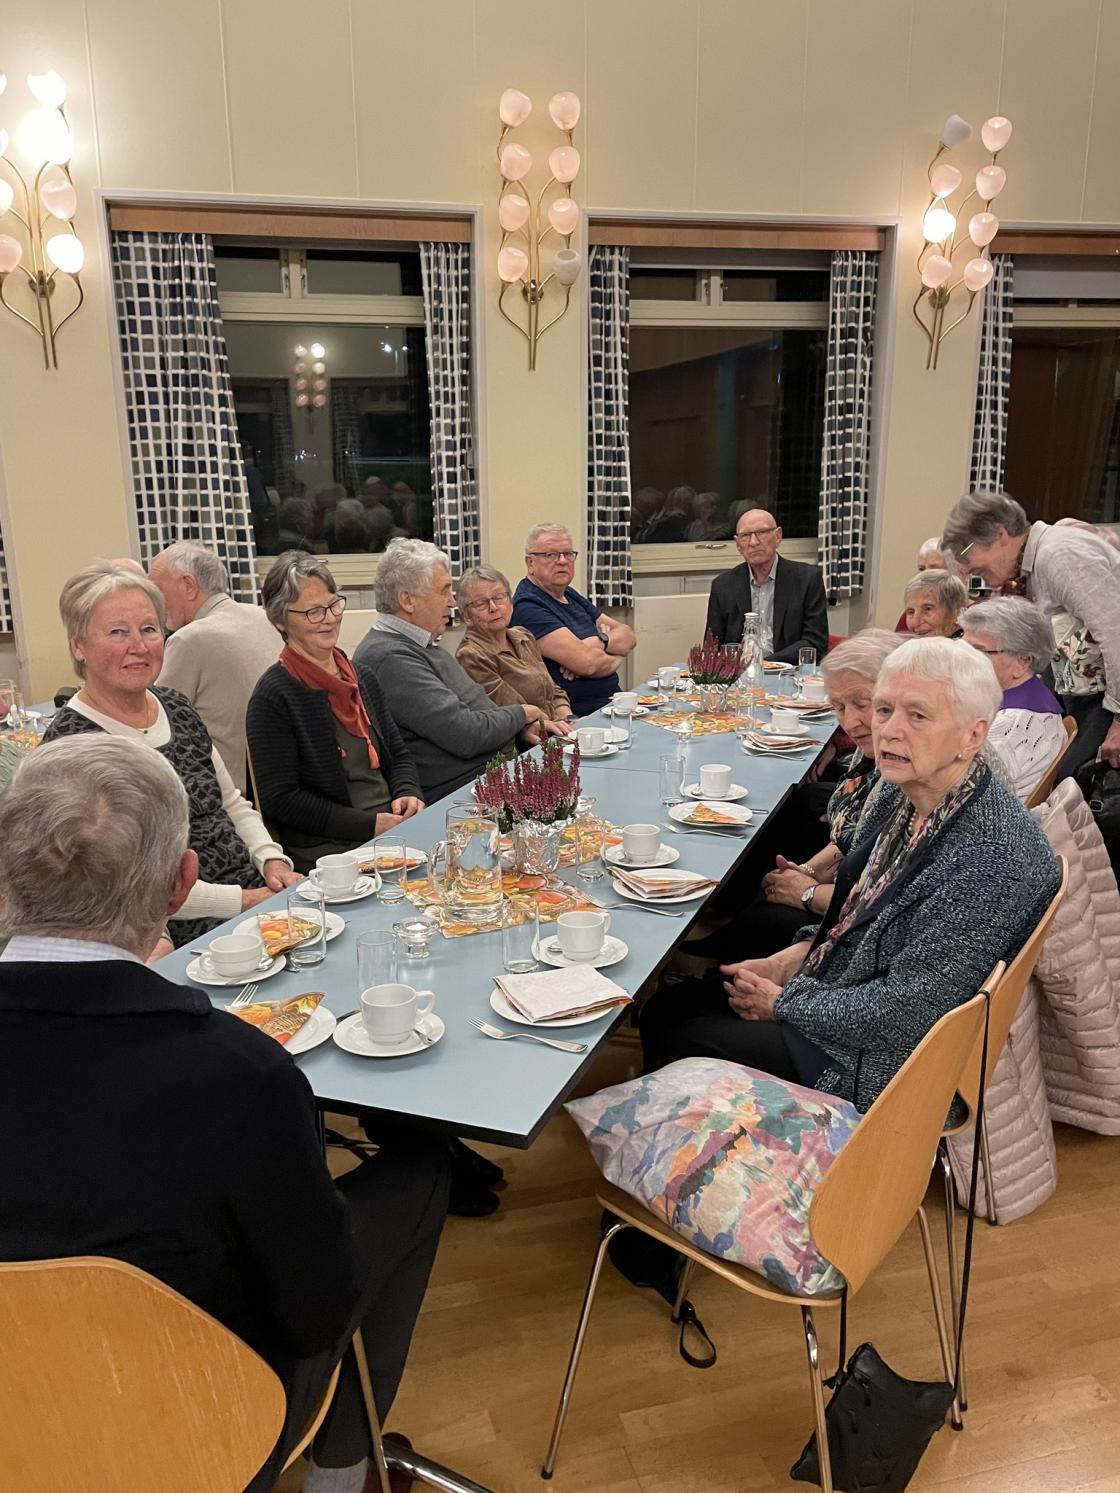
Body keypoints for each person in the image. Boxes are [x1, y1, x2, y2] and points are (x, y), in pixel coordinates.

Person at [0, 737, 448, 1493]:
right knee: (421, 1174)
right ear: (182, 883)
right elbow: (315, 1310)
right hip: (206, 1424)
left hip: (16, 1432)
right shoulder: (239, 1073)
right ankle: (341, 1474)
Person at [640, 637, 1061, 1112]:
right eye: (884, 710)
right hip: (847, 995)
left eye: (917, 715)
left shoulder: (990, 856)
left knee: (684, 1038)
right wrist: (791, 958)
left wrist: (783, 1004)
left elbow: (906, 1012)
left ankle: (716, 1144)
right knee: (669, 1008)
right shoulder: (901, 793)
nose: (889, 731)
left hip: (884, 1065)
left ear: (972, 735)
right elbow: (855, 914)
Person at [43, 561, 300, 947]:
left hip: (252, 897)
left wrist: (271, 860)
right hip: (168, 933)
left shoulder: (175, 706)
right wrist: (244, 901)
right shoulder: (72, 745)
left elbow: (230, 802)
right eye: (117, 632)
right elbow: (125, 884)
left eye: (149, 629)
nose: (139, 646)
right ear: (78, 645)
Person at [684, 630, 904, 964]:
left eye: (862, 704)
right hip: (850, 888)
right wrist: (807, 871)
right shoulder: (871, 750)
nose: (849, 721)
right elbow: (852, 840)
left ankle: (708, 969)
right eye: (838, 707)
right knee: (773, 879)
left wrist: (806, 891)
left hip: (863, 927)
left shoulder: (903, 770)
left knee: (769, 917)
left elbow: (883, 901)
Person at [247, 553, 425, 873]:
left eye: (333, 605)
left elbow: (399, 756)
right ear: (280, 621)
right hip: (331, 851)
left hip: (389, 830)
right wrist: (369, 825)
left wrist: (407, 792)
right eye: (313, 612)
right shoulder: (273, 696)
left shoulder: (363, 678)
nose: (329, 619)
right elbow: (282, 799)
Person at [355, 539, 563, 799]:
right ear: (407, 600)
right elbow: (466, 735)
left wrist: (521, 730)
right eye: (444, 591)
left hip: (498, 771)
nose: (452, 602)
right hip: (464, 793)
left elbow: (479, 712)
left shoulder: (422, 644)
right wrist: (522, 713)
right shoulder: (391, 658)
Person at [943, 490, 1120, 773]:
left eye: (966, 553)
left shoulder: (1059, 555)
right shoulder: (1039, 561)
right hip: (1088, 696)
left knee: (1073, 780)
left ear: (1000, 534)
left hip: (1105, 701)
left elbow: (1115, 633)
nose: (964, 569)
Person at [149, 540, 282, 788]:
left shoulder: (189, 639)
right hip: (279, 780)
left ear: (189, 585)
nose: (154, 605)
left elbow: (158, 724)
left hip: (228, 791)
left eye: (157, 592)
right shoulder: (265, 617)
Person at [510, 523, 637, 717]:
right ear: (530, 563)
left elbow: (628, 636)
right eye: (550, 555)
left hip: (612, 704)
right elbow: (588, 663)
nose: (562, 561)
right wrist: (618, 654)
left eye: (568, 554)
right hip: (577, 716)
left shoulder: (568, 594)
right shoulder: (527, 606)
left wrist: (600, 642)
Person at [961, 596, 1067, 802]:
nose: (963, 660)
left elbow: (960, 793)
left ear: (1022, 661)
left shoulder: (1014, 723)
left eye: (978, 651)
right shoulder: (1024, 694)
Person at [454, 564, 576, 731]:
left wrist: (567, 718)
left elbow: (551, 690)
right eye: (481, 603)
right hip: (524, 737)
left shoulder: (523, 636)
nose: (493, 608)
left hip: (556, 728)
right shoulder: (471, 655)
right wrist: (555, 727)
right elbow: (513, 711)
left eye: (499, 598)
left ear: (510, 602)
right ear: (466, 616)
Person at [704, 507, 829, 660]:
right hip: (740, 672)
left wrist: (765, 664)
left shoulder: (807, 579)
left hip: (789, 669)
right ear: (738, 545)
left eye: (762, 533)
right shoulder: (723, 586)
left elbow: (815, 643)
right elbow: (712, 647)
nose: (753, 542)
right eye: (745, 536)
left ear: (778, 536)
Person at [895, 537, 959, 630]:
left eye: (934, 569)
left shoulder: (970, 614)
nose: (925, 575)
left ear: (955, 571)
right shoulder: (912, 613)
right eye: (921, 569)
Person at [902, 568, 968, 638]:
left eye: (927, 609)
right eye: (911, 612)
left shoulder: (971, 643)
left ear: (957, 609)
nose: (915, 622)